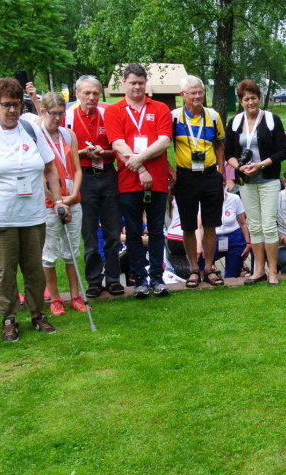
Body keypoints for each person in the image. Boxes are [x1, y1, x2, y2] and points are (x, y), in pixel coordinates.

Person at [0, 77, 65, 341]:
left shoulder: (31, 130)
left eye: (17, 105)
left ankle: (37, 313)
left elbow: (50, 168)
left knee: (34, 269)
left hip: (33, 215)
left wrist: (59, 200)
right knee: (4, 272)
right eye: (6, 105)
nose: (13, 111)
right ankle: (8, 318)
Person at [105, 64, 173, 299]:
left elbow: (164, 141)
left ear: (146, 83)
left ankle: (157, 277)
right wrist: (141, 169)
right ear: (124, 82)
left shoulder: (160, 107)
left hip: (157, 181)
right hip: (128, 181)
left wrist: (140, 161)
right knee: (133, 232)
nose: (137, 87)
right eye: (132, 82)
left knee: (156, 230)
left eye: (141, 83)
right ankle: (140, 279)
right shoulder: (114, 111)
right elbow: (117, 144)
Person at [225, 79, 286, 286]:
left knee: (269, 225)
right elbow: (229, 154)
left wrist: (261, 165)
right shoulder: (234, 123)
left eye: (253, 98)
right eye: (246, 99)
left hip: (268, 179)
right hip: (246, 181)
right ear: (240, 101)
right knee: (254, 226)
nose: (250, 102)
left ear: (259, 98)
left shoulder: (271, 120)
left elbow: (284, 151)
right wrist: (240, 167)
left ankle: (272, 272)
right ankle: (258, 270)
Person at [65, 75, 123, 299]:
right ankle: (94, 280)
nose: (91, 97)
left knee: (113, 230)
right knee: (89, 232)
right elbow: (60, 150)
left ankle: (114, 279)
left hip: (107, 174)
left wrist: (105, 152)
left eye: (95, 93)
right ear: (77, 93)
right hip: (84, 177)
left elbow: (119, 146)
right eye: (86, 93)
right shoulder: (68, 117)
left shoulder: (108, 114)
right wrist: (80, 154)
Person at [33, 91, 88, 315]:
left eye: (61, 113)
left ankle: (75, 295)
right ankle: (55, 298)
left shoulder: (68, 135)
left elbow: (76, 168)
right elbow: (38, 174)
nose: (57, 118)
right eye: (53, 114)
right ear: (44, 111)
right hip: (48, 203)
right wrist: (55, 200)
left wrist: (73, 195)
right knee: (49, 252)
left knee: (73, 250)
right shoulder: (36, 135)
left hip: (72, 199)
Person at [172, 75, 225, 288]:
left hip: (211, 175)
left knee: (211, 224)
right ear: (182, 95)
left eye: (200, 92)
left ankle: (209, 267)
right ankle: (194, 268)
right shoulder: (174, 117)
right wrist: (169, 170)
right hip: (185, 177)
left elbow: (220, 144)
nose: (198, 96)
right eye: (193, 93)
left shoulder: (212, 115)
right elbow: (164, 143)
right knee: (188, 225)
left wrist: (221, 170)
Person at [216, 188, 251, 279]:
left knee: (231, 276)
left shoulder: (235, 198)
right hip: (212, 238)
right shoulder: (203, 198)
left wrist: (248, 243)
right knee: (201, 262)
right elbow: (199, 226)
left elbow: (243, 223)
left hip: (235, 238)